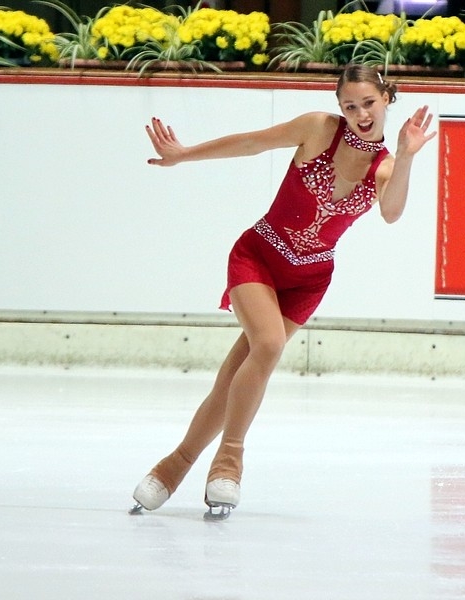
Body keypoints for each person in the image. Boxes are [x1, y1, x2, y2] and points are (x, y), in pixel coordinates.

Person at [129, 64, 436, 520]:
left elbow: (391, 212)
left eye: (368, 103)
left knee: (236, 377)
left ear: (386, 98)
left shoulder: (386, 167)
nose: (360, 114)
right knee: (269, 344)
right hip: (259, 256)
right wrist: (185, 154)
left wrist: (407, 155)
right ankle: (229, 460)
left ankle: (173, 467)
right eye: (350, 105)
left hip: (308, 280)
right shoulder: (318, 129)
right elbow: (252, 143)